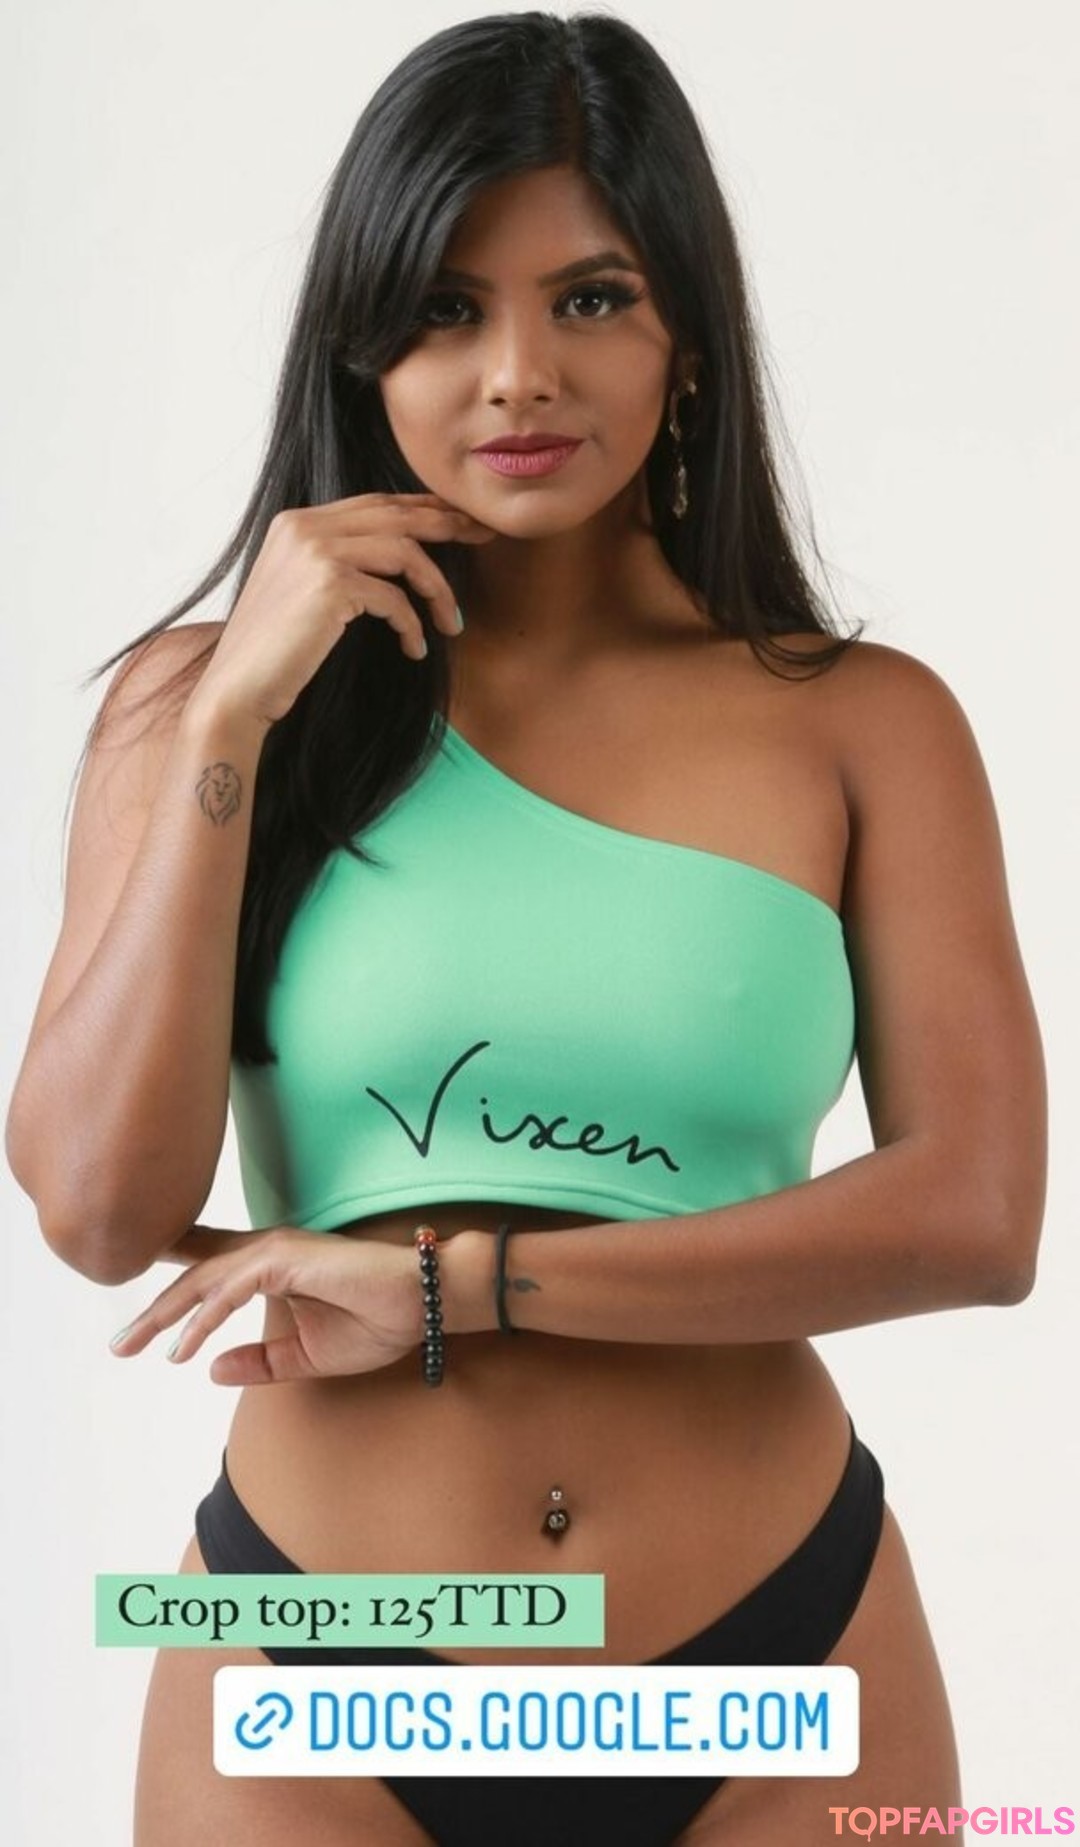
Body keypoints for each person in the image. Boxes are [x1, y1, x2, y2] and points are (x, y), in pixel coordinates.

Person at [4, 12, 1047, 1846]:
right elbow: (94, 1206)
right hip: (320, 1656)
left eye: (590, 299)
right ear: (362, 346)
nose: (515, 378)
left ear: (687, 336)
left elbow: (979, 1216)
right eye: (445, 310)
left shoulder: (866, 723)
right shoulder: (200, 711)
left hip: (781, 1649)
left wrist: (457, 1284)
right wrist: (237, 713)